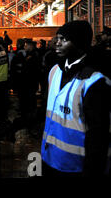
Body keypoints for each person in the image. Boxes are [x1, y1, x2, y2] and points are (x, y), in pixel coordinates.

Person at [41, 21, 110, 177]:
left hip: (76, 166)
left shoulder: (94, 81)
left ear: (79, 43)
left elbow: (98, 135)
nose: (57, 43)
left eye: (64, 39)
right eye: (57, 38)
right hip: (49, 158)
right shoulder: (54, 71)